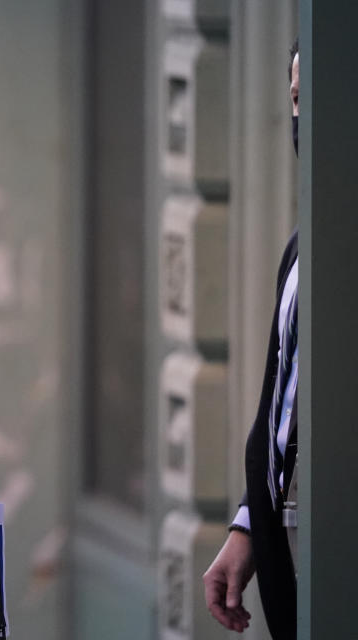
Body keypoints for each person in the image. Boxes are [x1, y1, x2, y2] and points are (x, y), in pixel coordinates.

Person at [203, 39, 300, 640]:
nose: (302, 119)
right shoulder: (303, 246)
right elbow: (285, 407)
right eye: (295, 100)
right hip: (289, 547)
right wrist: (250, 526)